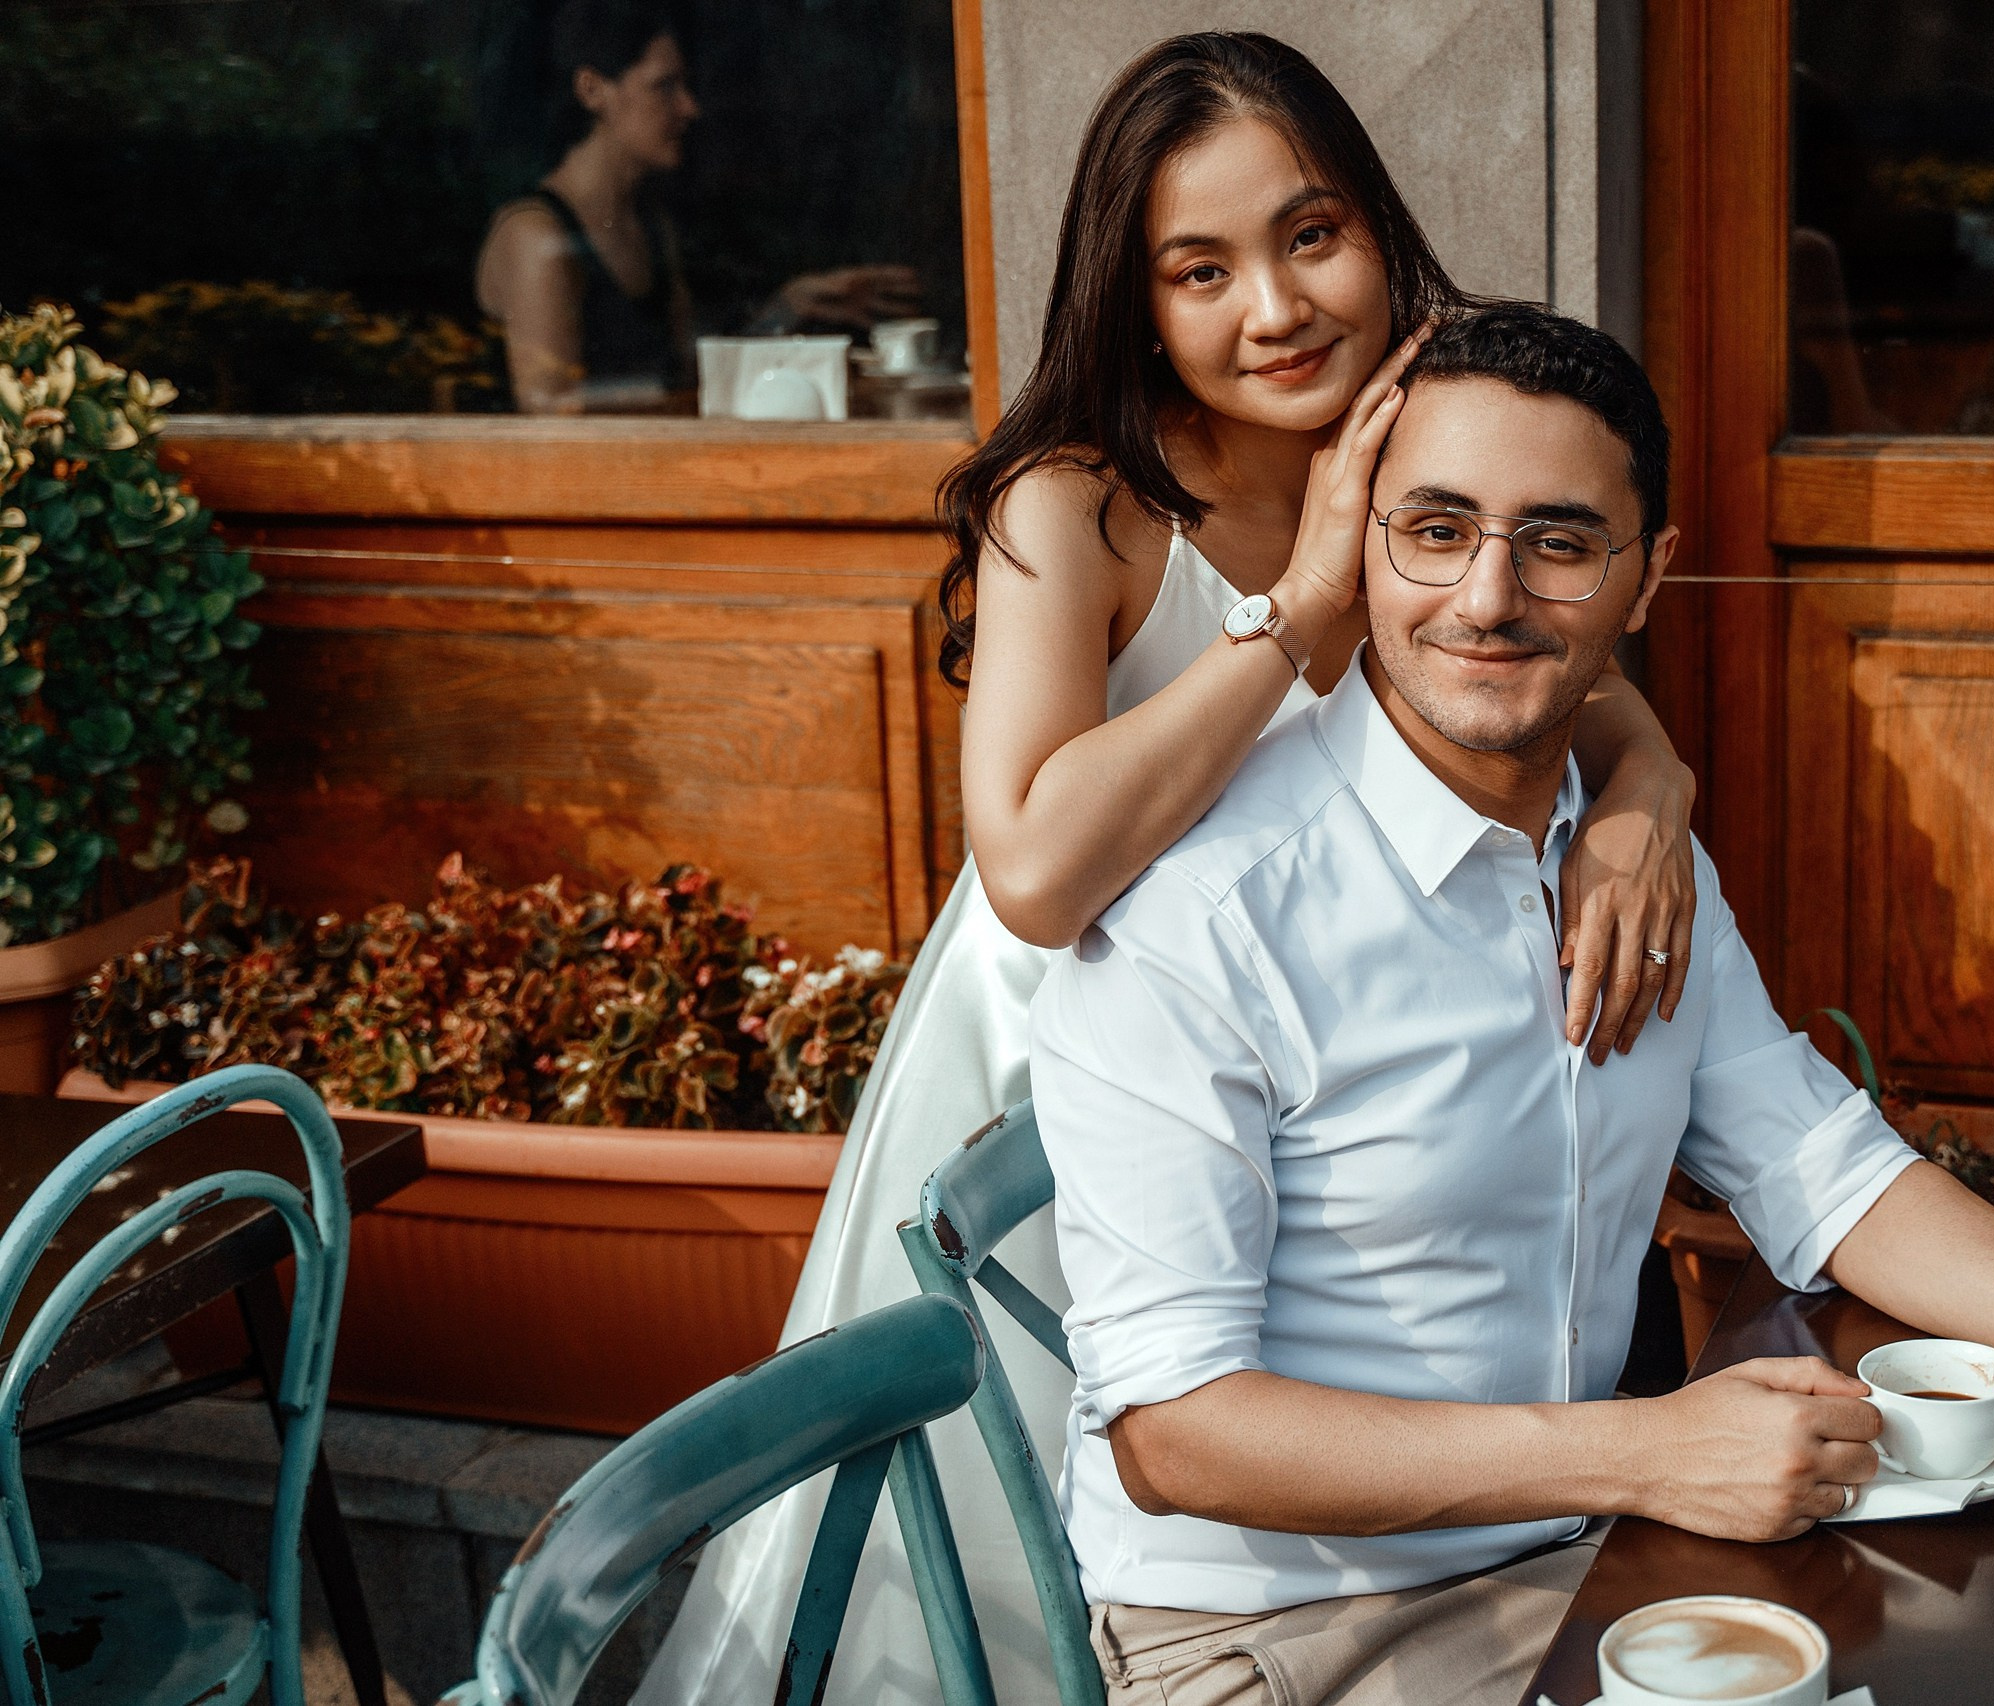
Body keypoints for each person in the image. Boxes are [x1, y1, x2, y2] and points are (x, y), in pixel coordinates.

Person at [1033, 303, 1994, 1706]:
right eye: (1434, 529)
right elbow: (1175, 1432)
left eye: (1557, 541)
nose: (1487, 597)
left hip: (1584, 1559)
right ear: (1359, 544)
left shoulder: (1629, 861)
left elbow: (1822, 1169)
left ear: (1644, 577)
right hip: (1280, 1633)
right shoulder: (1209, 910)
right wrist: (1646, 1449)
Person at [633, 35, 1703, 1706]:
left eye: (1311, 234)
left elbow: (1584, 671)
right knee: (1042, 1514)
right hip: (1069, 1067)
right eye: (1201, 268)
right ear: (1136, 302)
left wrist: (1650, 782)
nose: (1272, 306)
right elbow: (1040, 872)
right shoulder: (1077, 505)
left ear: (1380, 229)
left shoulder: (1435, 428)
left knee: (1315, 1466)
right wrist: (1300, 621)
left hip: (1320, 1048)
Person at [474, 0, 920, 413]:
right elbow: (550, 407)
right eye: (664, 86)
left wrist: (785, 310)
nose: (689, 108)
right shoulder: (537, 236)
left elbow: (687, 373)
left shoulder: (650, 227)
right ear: (593, 91)